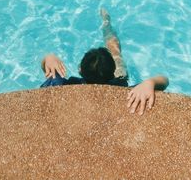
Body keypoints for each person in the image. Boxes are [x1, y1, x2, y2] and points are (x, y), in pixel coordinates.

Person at [40, 9, 169, 115]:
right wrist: (149, 82)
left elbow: (49, 69)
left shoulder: (62, 86)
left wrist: (48, 57)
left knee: (115, 53)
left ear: (80, 69)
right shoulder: (126, 93)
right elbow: (164, 81)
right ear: (113, 72)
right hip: (114, 83)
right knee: (115, 52)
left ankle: (106, 23)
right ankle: (106, 23)